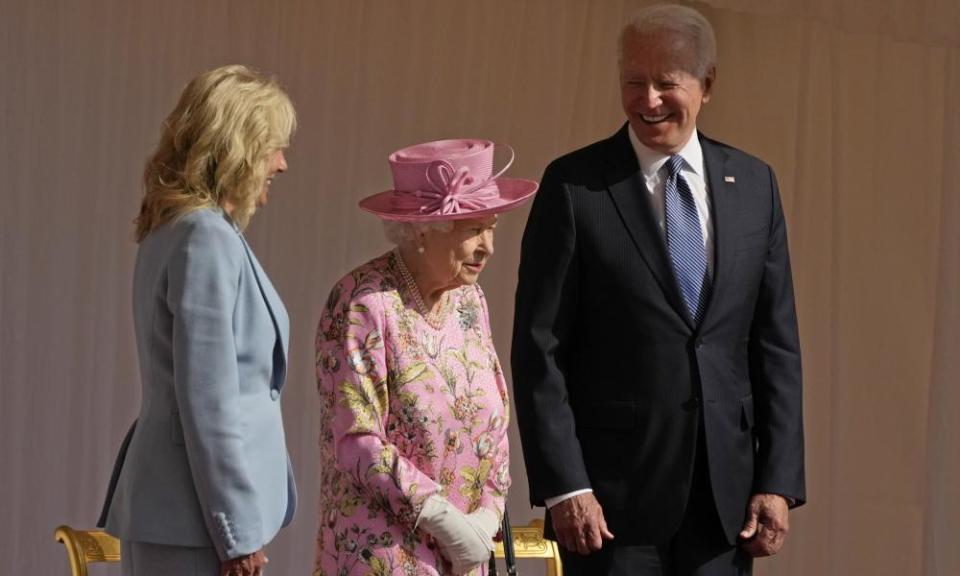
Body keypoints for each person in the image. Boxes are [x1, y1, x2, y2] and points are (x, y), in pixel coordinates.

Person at [511, 5, 805, 575]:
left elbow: (776, 343)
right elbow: (538, 347)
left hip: (725, 508)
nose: (648, 101)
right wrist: (565, 485)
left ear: (707, 84)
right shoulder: (576, 187)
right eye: (633, 82)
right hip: (610, 510)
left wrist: (778, 480)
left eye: (667, 83)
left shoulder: (753, 185)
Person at [98, 64, 298, 576]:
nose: (281, 163)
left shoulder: (176, 229)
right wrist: (236, 533)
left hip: (186, 514)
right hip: (194, 521)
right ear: (238, 149)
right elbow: (208, 402)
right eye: (273, 146)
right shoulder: (203, 237)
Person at [314, 139, 537, 575]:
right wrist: (444, 520)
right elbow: (356, 439)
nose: (489, 246)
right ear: (422, 230)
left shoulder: (470, 300)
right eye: (473, 229)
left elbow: (495, 417)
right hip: (386, 555)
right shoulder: (363, 302)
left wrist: (486, 515)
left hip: (467, 556)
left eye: (491, 227)